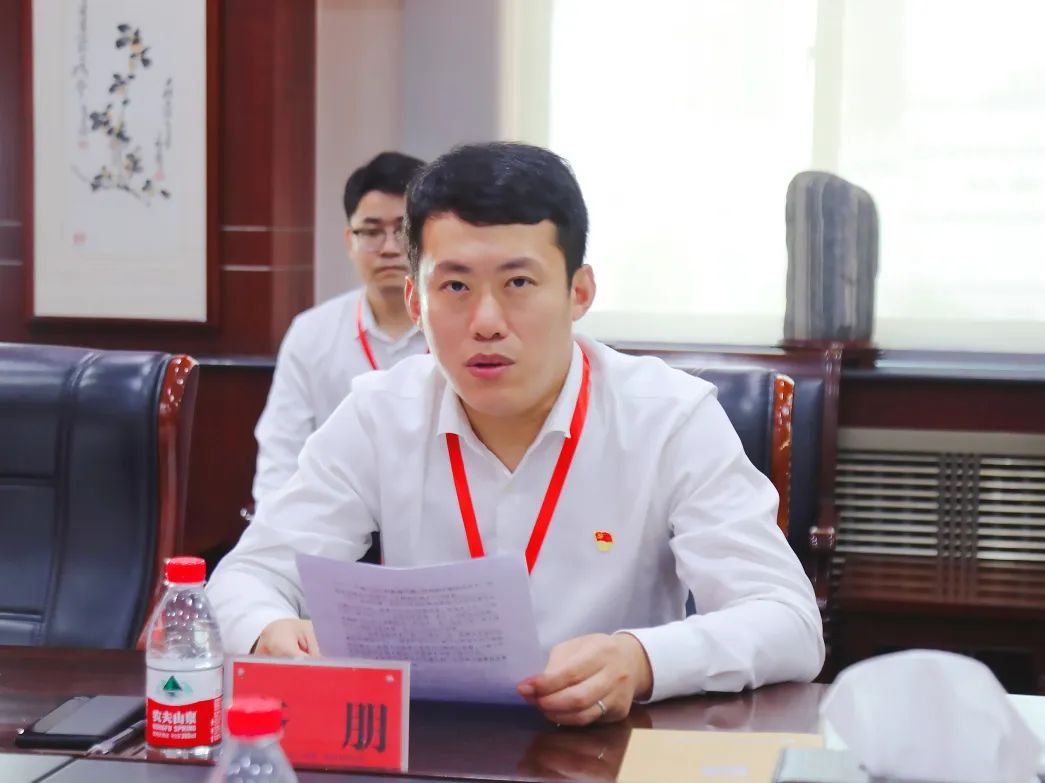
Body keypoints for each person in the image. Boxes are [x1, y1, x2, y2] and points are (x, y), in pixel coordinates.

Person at [209, 142, 824, 726]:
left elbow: (788, 620)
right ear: (415, 302)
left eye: (518, 283)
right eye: (455, 286)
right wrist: (269, 631)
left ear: (579, 292)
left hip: (607, 747)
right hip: (430, 744)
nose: (486, 322)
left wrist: (641, 660)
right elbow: (246, 578)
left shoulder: (668, 417)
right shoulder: (378, 415)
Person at [251, 151, 429, 503]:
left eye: (404, 230)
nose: (389, 248)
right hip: (336, 516)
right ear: (350, 241)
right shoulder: (311, 333)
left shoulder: (462, 329)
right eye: (372, 232)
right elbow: (280, 454)